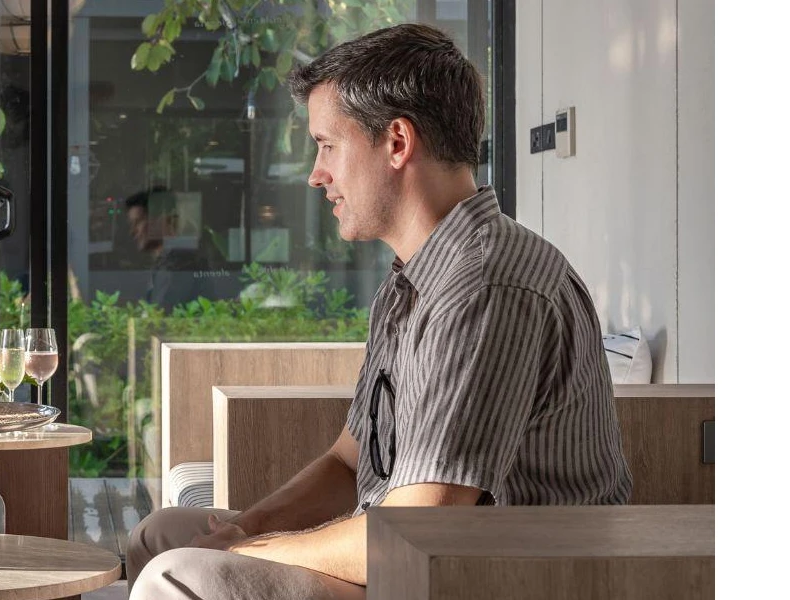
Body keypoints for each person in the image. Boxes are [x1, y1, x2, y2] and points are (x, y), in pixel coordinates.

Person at [127, 23, 632, 599]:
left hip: (482, 580)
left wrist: (243, 552)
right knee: (163, 535)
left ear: (396, 142)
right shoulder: (410, 281)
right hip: (411, 556)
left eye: (326, 146)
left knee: (175, 574)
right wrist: (246, 529)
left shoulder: (487, 286)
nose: (317, 175)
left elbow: (424, 526)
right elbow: (350, 460)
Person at [124, 186, 208, 309]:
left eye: (138, 222)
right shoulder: (171, 260)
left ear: (162, 218)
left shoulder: (178, 264)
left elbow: (161, 319)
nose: (133, 231)